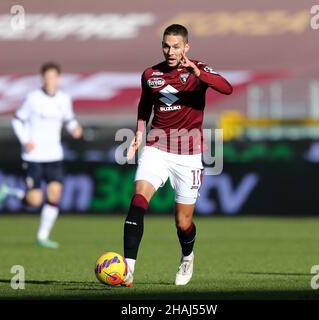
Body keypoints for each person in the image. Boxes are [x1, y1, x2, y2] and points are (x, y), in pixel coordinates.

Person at [122, 24, 233, 286]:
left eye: (175, 46)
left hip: (189, 155)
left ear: (186, 47)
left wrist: (199, 74)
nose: (170, 51)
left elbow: (227, 88)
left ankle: (187, 256)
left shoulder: (200, 70)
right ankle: (127, 270)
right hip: (156, 148)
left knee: (183, 223)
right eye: (165, 45)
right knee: (138, 199)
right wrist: (139, 133)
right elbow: (144, 106)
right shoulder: (151, 74)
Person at [0, 62, 83, 249]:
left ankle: (42, 236)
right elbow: (17, 121)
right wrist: (25, 140)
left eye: (53, 77)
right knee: (34, 200)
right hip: (33, 156)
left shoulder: (64, 99)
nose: (50, 81)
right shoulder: (32, 99)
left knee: (54, 194)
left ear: (59, 79)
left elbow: (69, 119)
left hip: (54, 155)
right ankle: (8, 191)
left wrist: (75, 129)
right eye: (47, 77)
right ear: (42, 79)